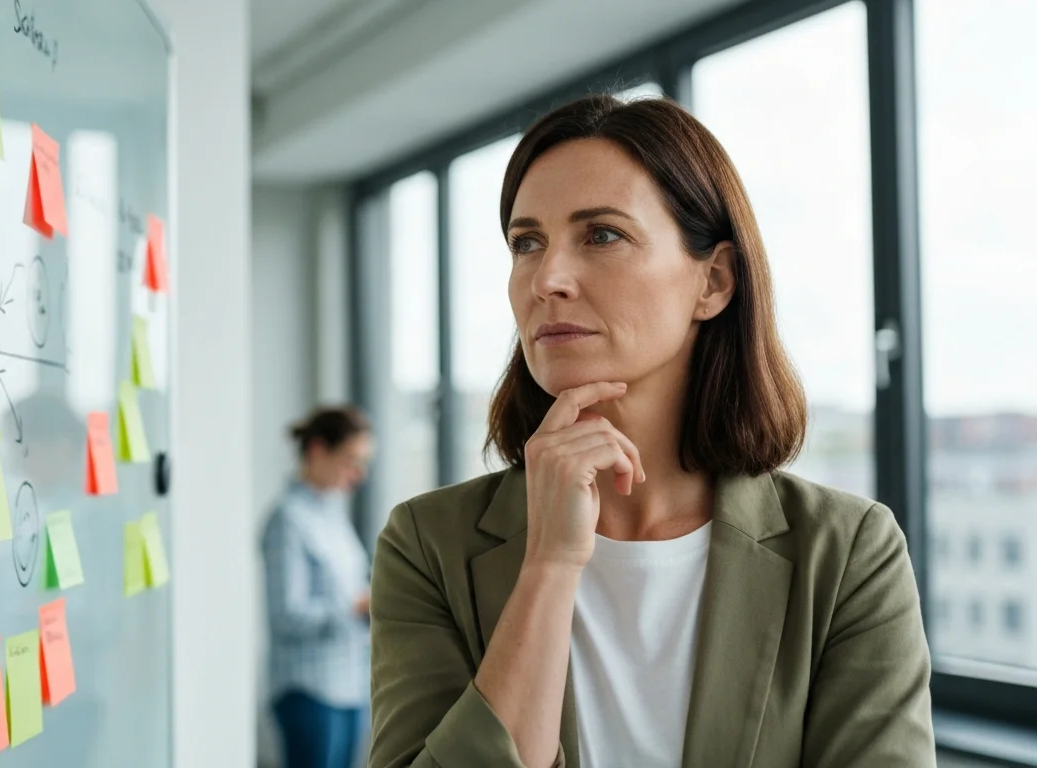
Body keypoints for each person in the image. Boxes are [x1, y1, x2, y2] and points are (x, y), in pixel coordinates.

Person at [368, 94, 934, 768]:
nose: (548, 277)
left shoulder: (846, 554)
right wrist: (549, 566)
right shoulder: (428, 546)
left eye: (601, 234)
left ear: (714, 281)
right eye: (527, 242)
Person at [263, 405, 377, 768]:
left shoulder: (333, 514)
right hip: (308, 690)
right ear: (316, 451)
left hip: (348, 685)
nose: (357, 474)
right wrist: (355, 610)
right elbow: (286, 615)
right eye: (350, 460)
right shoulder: (288, 520)